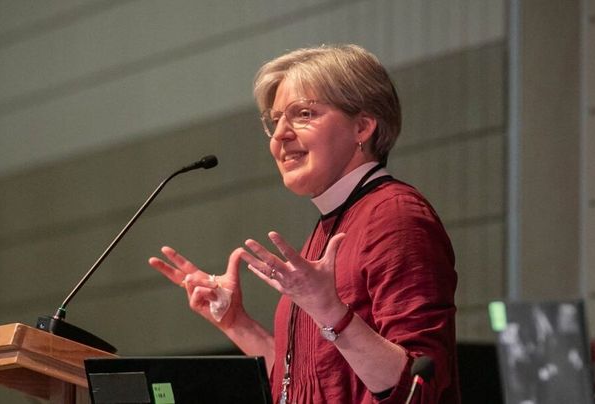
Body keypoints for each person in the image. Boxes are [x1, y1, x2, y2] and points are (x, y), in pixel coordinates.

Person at [148, 44, 459, 404]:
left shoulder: (395, 216)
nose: (280, 134)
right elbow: (299, 382)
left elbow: (420, 388)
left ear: (362, 126)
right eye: (275, 119)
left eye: (304, 114)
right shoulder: (334, 221)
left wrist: (328, 309)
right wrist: (236, 323)